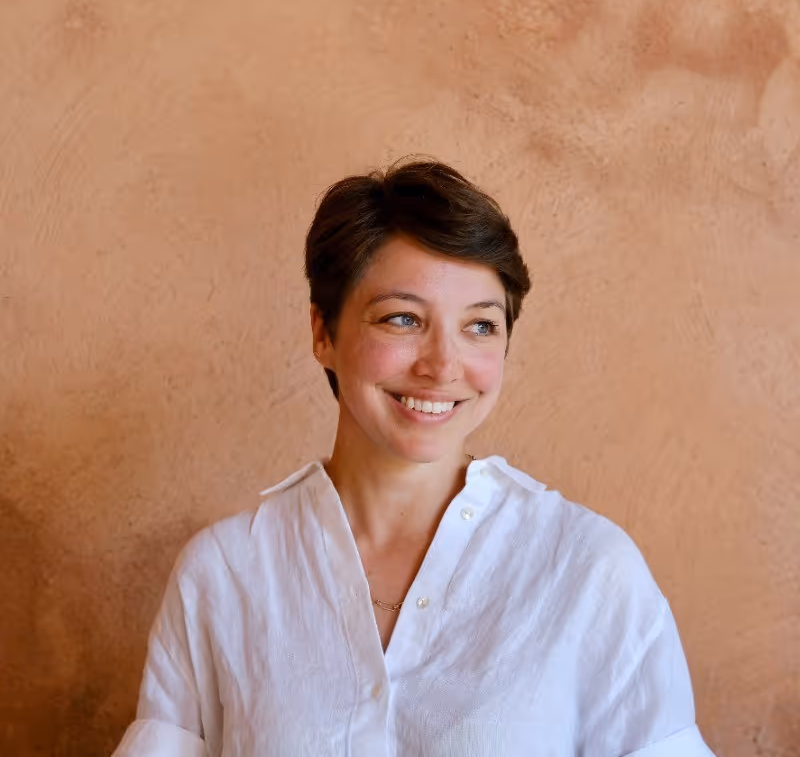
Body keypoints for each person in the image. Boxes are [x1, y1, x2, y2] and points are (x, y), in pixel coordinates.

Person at [113, 159, 715, 756]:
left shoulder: (587, 569)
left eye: (480, 327)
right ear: (323, 333)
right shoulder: (223, 574)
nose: (443, 366)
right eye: (402, 319)